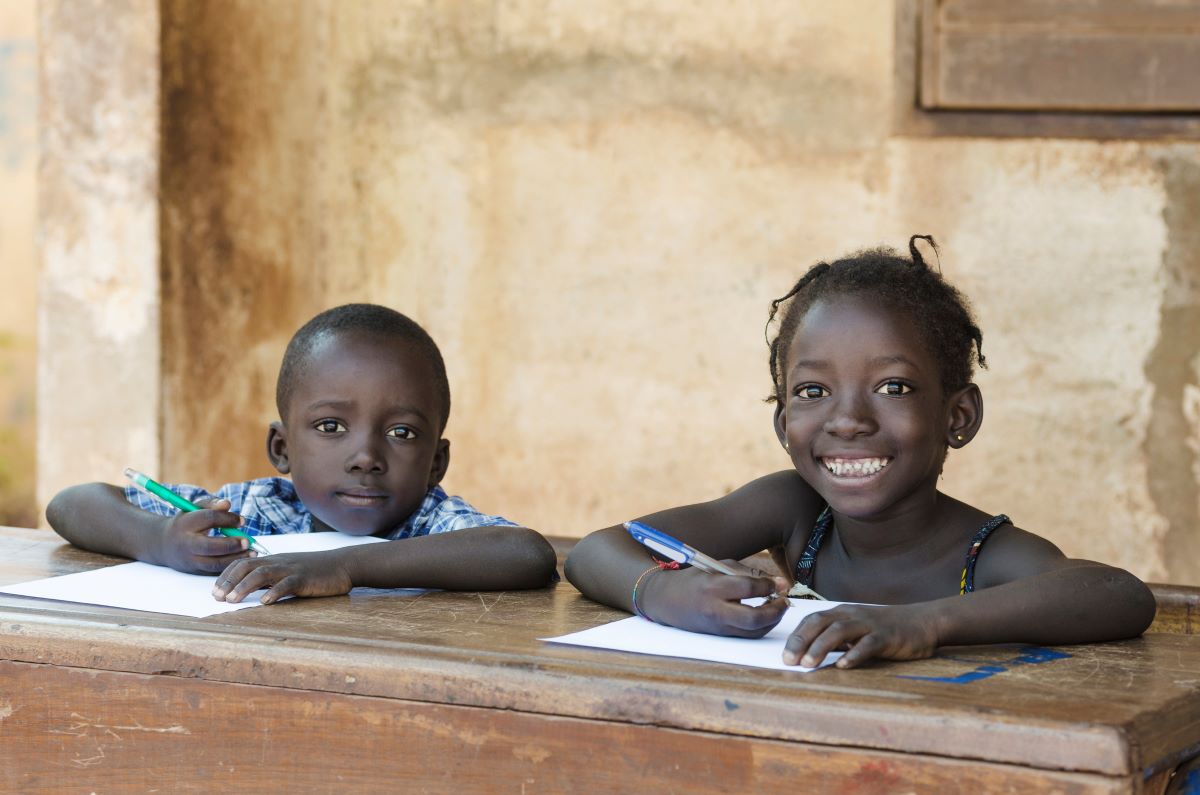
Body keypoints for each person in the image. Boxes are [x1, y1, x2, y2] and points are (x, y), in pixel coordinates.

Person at [565, 237, 1155, 669]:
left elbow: (1118, 595)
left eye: (892, 388)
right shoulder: (796, 508)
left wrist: (922, 625)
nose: (848, 421)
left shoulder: (985, 555)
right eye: (813, 392)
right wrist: (662, 592)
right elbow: (596, 551)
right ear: (783, 423)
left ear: (958, 416)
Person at [47, 303, 558, 603]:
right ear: (282, 448)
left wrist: (345, 568)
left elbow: (527, 555)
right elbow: (72, 504)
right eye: (331, 426)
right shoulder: (256, 511)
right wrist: (160, 538)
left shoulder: (430, 520)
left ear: (437, 463)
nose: (366, 456)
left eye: (402, 433)